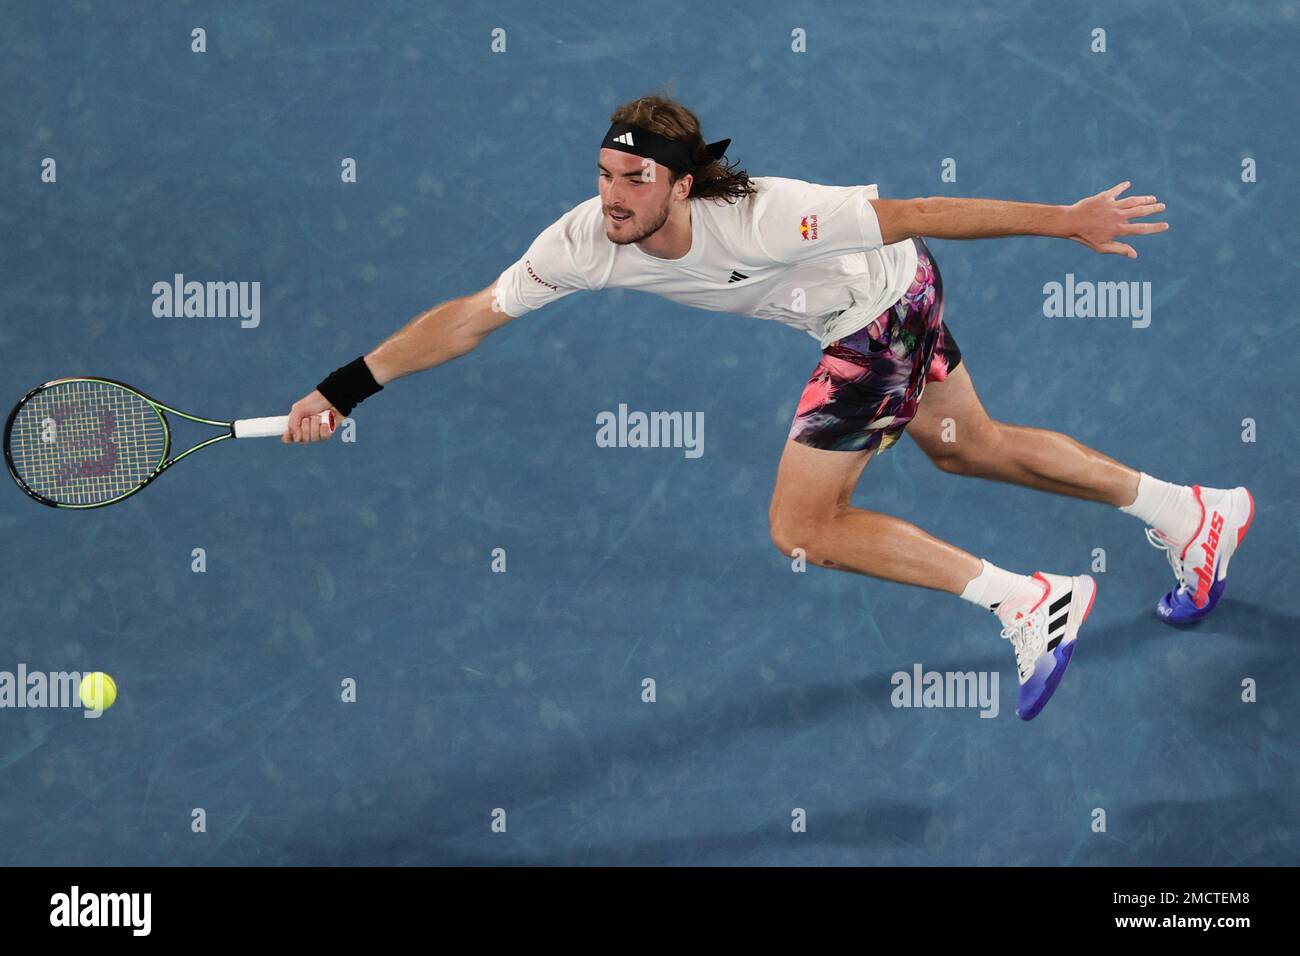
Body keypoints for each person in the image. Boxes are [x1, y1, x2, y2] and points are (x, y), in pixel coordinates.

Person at [282, 94, 1253, 721]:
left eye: (637, 178)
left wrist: (1065, 221)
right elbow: (470, 316)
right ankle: (1187, 510)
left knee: (801, 523)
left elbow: (916, 212)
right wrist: (342, 389)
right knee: (972, 448)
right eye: (605, 174)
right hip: (889, 303)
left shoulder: (770, 211)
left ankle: (1028, 599)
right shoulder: (585, 239)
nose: (613, 195)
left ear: (685, 182)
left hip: (878, 313)